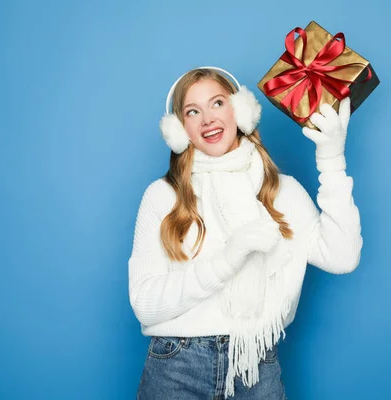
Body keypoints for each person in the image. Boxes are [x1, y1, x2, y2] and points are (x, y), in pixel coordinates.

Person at [128, 66, 362, 400]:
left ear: (241, 110)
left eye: (217, 103)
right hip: (176, 367)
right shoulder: (162, 196)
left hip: (256, 364)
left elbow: (343, 257)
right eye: (193, 111)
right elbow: (145, 305)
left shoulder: (282, 191)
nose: (208, 119)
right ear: (180, 130)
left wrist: (332, 160)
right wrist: (226, 260)